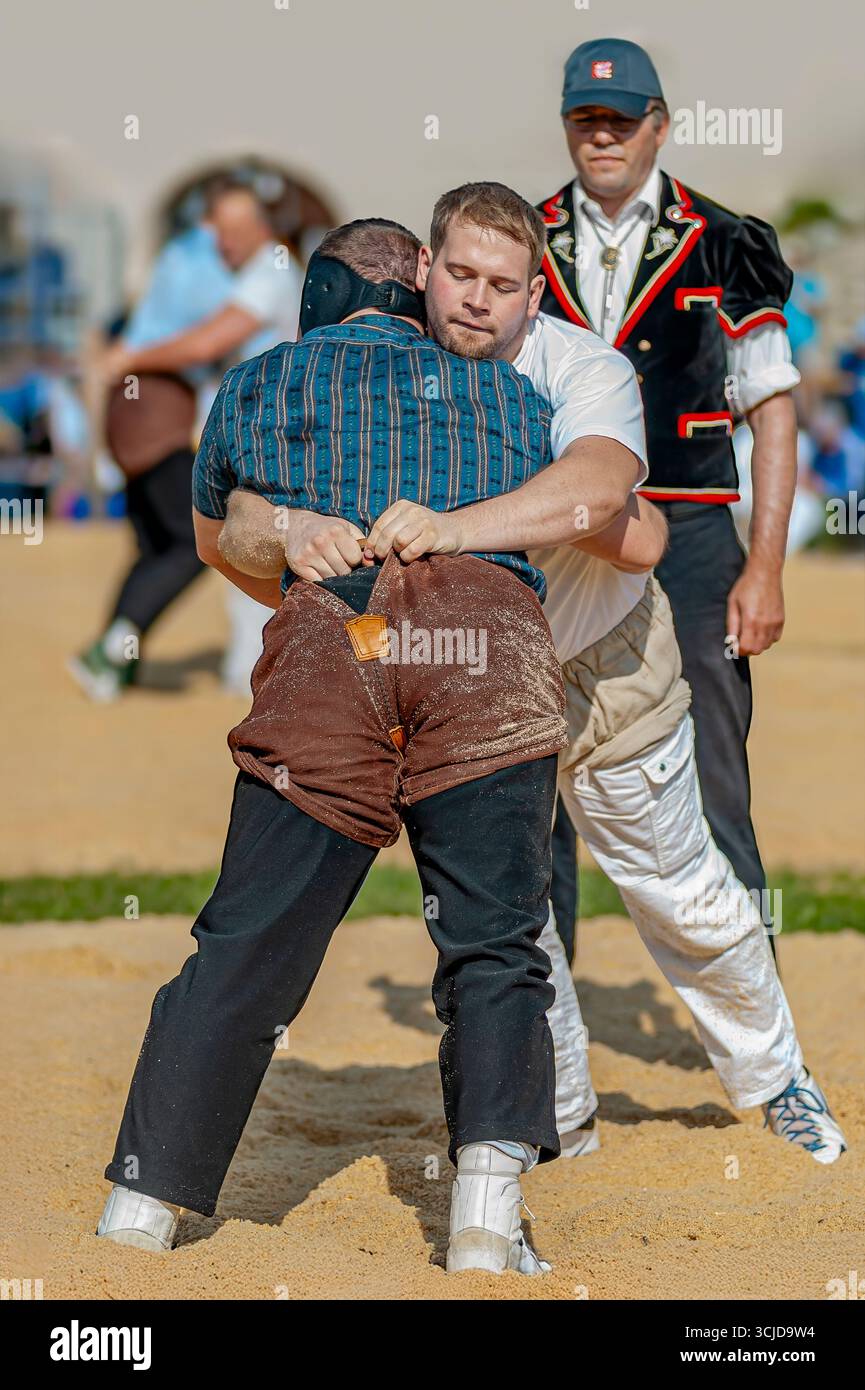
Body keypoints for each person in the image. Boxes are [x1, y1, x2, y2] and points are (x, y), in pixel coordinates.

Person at [224, 183, 847, 1168]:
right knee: (515, 918)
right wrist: (289, 531)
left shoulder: (579, 365)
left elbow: (604, 494)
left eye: (501, 284)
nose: (477, 298)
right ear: (425, 273)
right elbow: (244, 513)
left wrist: (456, 524)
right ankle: (556, 1114)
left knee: (682, 894)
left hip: (603, 669)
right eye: (460, 275)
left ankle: (777, 1081)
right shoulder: (385, 373)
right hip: (471, 683)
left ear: (532, 294)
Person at [96, 212, 642, 1276]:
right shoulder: (518, 391)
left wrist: (292, 534)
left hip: (335, 637)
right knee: (493, 942)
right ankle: (483, 1221)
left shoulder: (262, 380)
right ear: (423, 285)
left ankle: (145, 1204)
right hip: (485, 644)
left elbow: (221, 540)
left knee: (248, 939)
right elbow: (631, 519)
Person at [535, 38, 801, 953]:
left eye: (619, 118)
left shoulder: (728, 242)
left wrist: (761, 565)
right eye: (585, 118)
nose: (601, 135)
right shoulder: (520, 239)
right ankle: (533, 1016)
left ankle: (753, 1010)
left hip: (689, 532)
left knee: (714, 768)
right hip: (550, 529)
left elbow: (772, 410)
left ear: (659, 124)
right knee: (528, 764)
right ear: (566, 123)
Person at [69, 182, 303, 701]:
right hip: (236, 437)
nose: (223, 245)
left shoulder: (271, 269)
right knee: (169, 541)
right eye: (219, 235)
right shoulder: (242, 273)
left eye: (232, 234)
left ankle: (244, 671)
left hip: (270, 438)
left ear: (260, 230)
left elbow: (208, 341)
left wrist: (127, 359)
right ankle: (116, 656)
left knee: (219, 543)